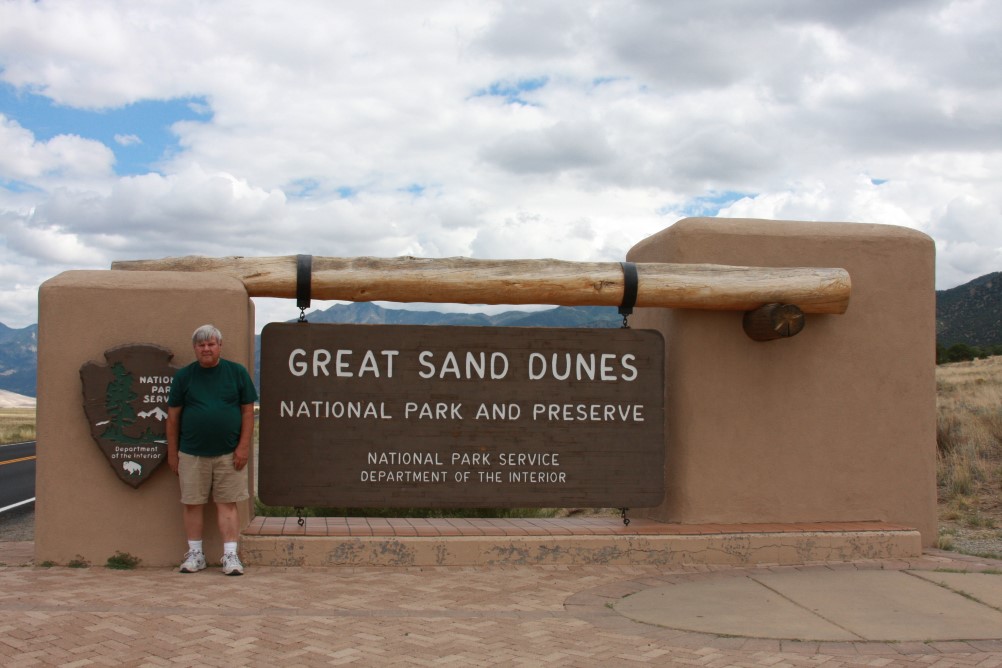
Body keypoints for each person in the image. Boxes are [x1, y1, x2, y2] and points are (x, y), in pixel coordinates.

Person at [166, 324, 257, 575]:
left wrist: (244, 447)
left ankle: (230, 556)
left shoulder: (236, 373)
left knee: (227, 504)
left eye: (211, 344)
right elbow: (172, 418)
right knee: (192, 503)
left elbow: (248, 412)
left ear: (219, 346)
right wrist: (172, 453)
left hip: (229, 453)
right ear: (195, 348)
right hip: (191, 453)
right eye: (201, 345)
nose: (206, 348)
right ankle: (195, 554)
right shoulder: (184, 377)